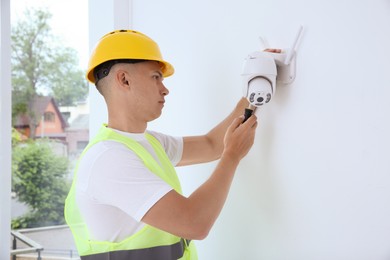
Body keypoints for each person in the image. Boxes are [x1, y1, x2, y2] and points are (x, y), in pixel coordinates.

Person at [65, 29, 260, 260]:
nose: (165, 88)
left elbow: (212, 144)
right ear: (124, 79)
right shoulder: (109, 159)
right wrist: (232, 157)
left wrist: (256, 88)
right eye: (155, 76)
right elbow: (195, 223)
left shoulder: (149, 143)